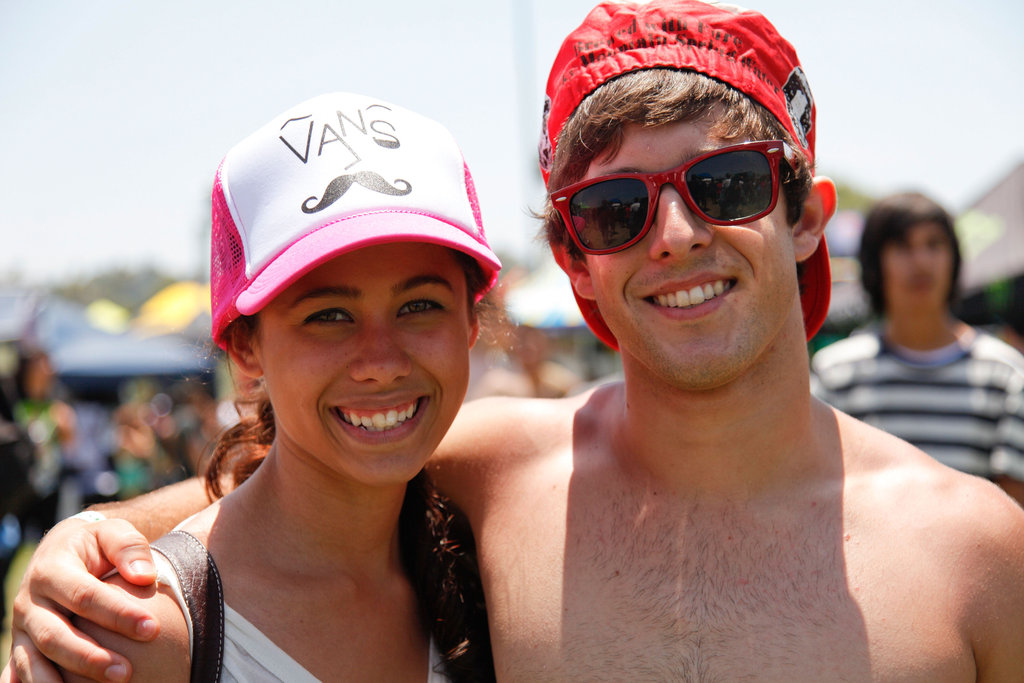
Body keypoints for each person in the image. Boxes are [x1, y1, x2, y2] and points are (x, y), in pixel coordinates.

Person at [7, 2, 1024, 681]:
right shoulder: (502, 465)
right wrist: (93, 533)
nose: (674, 235)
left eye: (725, 186)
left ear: (804, 217)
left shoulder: (976, 554)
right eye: (614, 209)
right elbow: (300, 467)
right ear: (575, 261)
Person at [7, 90, 501, 681]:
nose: (382, 361)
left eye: (419, 305)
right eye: (329, 316)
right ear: (246, 348)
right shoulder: (140, 630)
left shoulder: (492, 556)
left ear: (471, 321)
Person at [812, 192, 1024, 505]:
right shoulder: (836, 373)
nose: (921, 261)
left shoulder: (1005, 374)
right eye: (902, 246)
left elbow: (1014, 514)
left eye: (934, 244)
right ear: (874, 263)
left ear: (955, 258)